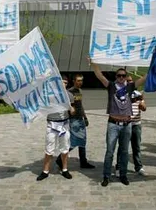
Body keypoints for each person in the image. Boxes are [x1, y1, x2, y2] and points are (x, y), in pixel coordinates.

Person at [89, 58, 148, 187]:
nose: (121, 77)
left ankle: (123, 175)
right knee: (110, 151)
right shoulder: (111, 86)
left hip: (127, 125)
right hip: (113, 124)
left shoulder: (131, 87)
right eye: (119, 75)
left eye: (124, 76)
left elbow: (144, 78)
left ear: (126, 77)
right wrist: (94, 64)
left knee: (124, 152)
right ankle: (106, 176)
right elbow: (100, 76)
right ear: (116, 77)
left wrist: (154, 62)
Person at [37, 76, 75, 181]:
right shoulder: (49, 95)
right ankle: (45, 171)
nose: (63, 84)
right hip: (52, 124)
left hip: (64, 124)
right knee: (49, 149)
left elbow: (73, 109)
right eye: (61, 82)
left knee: (65, 149)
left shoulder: (69, 96)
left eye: (66, 83)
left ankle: (65, 169)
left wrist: (72, 110)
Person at [56, 74, 96, 169]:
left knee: (82, 141)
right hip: (73, 120)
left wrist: (85, 117)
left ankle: (83, 161)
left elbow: (80, 106)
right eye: (78, 81)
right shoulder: (69, 92)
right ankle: (60, 159)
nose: (80, 82)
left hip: (80, 119)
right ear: (73, 81)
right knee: (74, 142)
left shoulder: (79, 91)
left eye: (81, 80)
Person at [115, 75, 147, 176]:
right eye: (127, 81)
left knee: (136, 147)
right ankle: (118, 167)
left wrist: (142, 105)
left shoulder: (138, 94)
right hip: (125, 124)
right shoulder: (120, 94)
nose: (129, 82)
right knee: (123, 147)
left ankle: (138, 167)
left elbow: (144, 107)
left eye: (130, 81)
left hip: (136, 124)